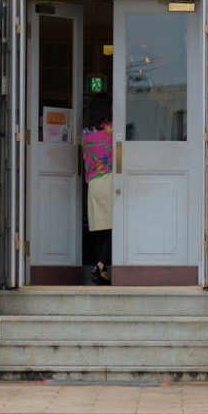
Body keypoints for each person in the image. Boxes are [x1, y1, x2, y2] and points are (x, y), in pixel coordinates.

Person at [82, 93, 113, 285]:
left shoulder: (86, 132)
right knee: (115, 226)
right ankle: (101, 265)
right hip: (110, 179)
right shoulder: (112, 129)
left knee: (102, 228)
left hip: (93, 182)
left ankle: (102, 271)